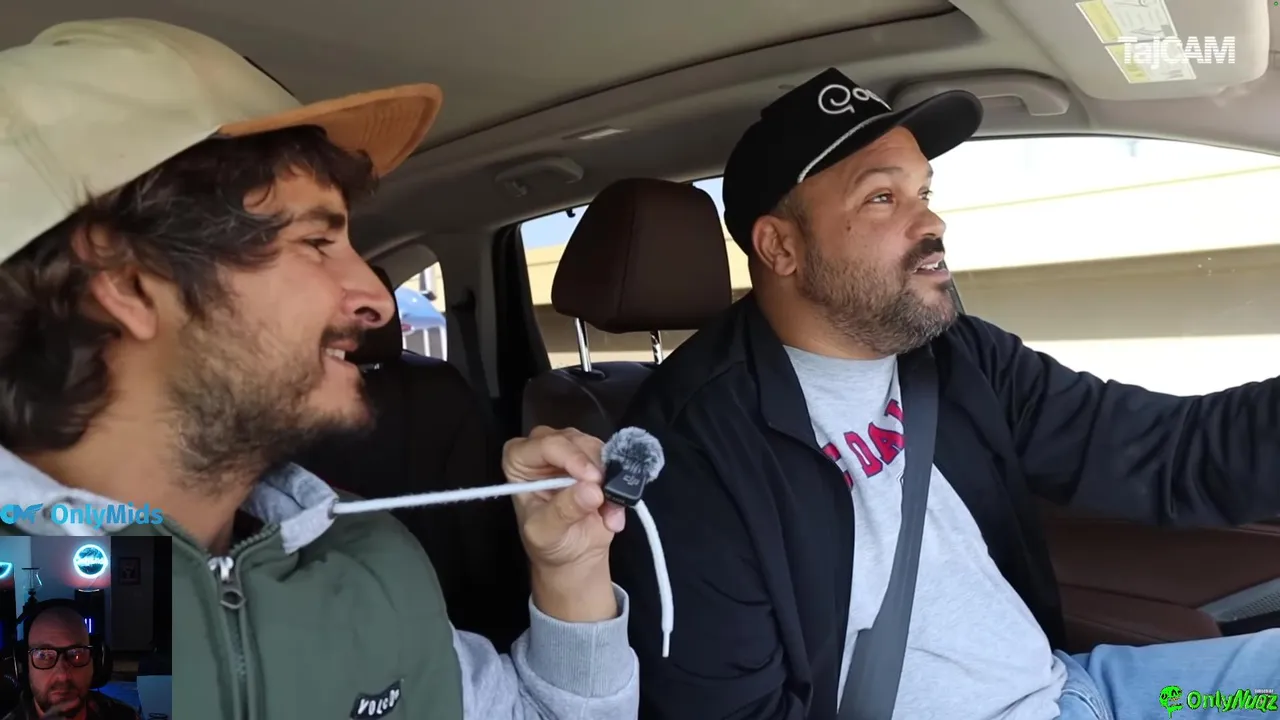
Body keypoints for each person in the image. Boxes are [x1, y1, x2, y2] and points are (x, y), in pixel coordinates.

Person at [0, 19, 636, 720]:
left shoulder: (371, 563)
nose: (376, 297)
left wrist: (570, 570)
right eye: (316, 241)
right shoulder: (34, 595)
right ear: (129, 282)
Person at [610, 67, 1280, 720]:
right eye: (882, 197)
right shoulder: (688, 452)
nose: (931, 222)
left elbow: (1166, 451)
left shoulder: (958, 357)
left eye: (924, 191)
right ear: (780, 246)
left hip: (1078, 689)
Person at [2, 605, 138, 720]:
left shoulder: (126, 716)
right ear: (25, 666)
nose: (63, 676)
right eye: (44, 655)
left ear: (95, 663)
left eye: (76, 654)